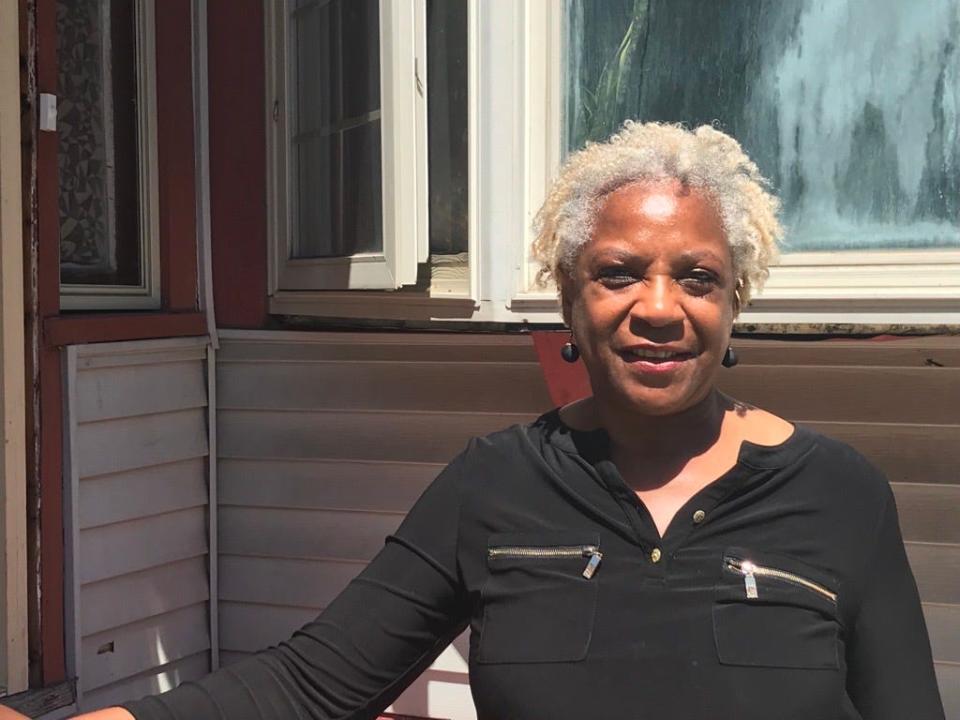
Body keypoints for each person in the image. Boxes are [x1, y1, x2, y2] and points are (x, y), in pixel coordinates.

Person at [2, 122, 944, 720]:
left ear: (734, 301)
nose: (659, 307)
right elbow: (313, 683)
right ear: (569, 305)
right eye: (618, 273)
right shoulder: (498, 483)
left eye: (696, 277)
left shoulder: (838, 494)